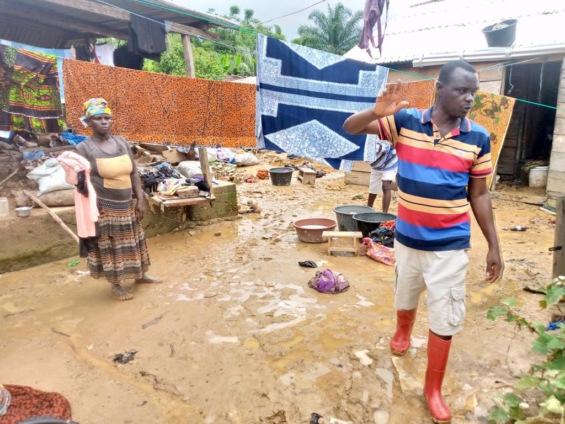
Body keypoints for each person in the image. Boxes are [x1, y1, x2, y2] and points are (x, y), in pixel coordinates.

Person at [343, 61, 503, 423]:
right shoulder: (406, 122)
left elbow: (479, 194)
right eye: (462, 90)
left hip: (451, 245)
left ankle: (433, 389)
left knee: (445, 314)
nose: (470, 99)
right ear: (440, 89)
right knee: (406, 292)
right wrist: (376, 112)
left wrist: (494, 246)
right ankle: (403, 330)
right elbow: (350, 127)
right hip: (408, 239)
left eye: (474, 92)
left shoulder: (478, 137)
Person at [76, 98, 161, 301]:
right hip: (104, 207)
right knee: (112, 246)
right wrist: (92, 207)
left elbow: (133, 172)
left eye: (107, 118)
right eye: (98, 118)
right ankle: (116, 285)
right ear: (88, 122)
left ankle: (140, 275)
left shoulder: (121, 142)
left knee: (135, 241)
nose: (104, 122)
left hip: (127, 204)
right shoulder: (84, 149)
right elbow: (81, 182)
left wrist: (140, 199)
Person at [367, 139, 397, 212]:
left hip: (390, 164)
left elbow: (389, 145)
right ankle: (368, 209)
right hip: (376, 166)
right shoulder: (359, 150)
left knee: (386, 186)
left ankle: (384, 214)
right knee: (373, 187)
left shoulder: (377, 146)